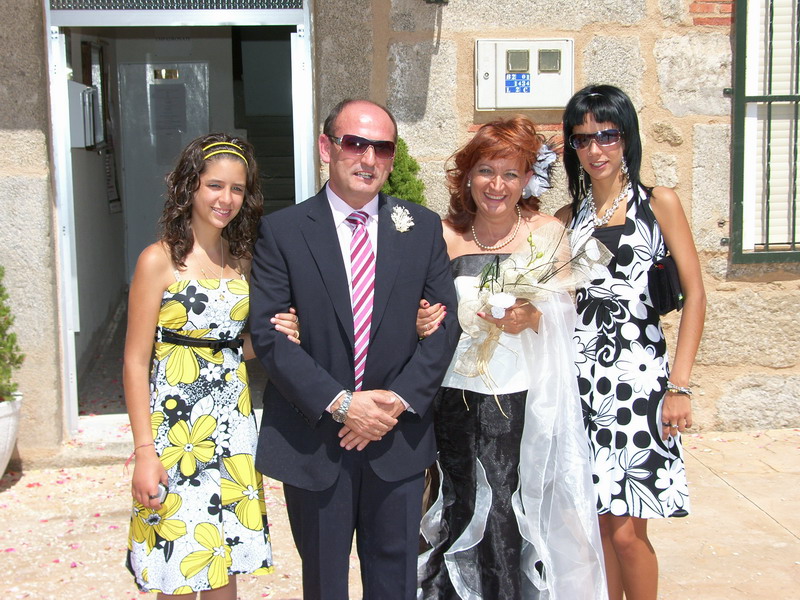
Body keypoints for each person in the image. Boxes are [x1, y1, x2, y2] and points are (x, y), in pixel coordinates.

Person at [249, 99, 460, 600]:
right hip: (316, 440)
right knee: (324, 584)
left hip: (396, 437)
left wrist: (393, 404)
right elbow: (270, 336)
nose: (368, 158)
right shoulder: (283, 231)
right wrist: (343, 404)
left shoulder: (422, 227)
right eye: (355, 143)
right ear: (327, 147)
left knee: (395, 582)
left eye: (382, 148)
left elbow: (444, 328)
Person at [415, 116, 608, 599]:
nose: (496, 185)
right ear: (467, 176)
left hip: (519, 402)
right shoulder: (443, 235)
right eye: (485, 171)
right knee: (457, 503)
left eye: (510, 173)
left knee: (506, 512)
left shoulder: (547, 233)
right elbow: (419, 312)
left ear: (527, 180)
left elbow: (569, 317)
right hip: (452, 400)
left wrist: (534, 317)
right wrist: (421, 321)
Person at [124, 133, 300, 599]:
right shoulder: (158, 261)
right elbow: (135, 361)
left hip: (233, 428)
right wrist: (144, 453)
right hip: (176, 433)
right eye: (215, 185)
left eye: (237, 189)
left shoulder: (241, 261)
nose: (226, 199)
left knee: (222, 563)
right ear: (191, 186)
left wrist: (279, 333)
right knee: (178, 566)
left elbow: (229, 348)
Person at [555, 84, 706, 600]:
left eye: (607, 135)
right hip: (582, 386)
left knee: (626, 533)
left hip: (639, 384)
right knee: (598, 528)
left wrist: (679, 386)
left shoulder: (659, 204)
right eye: (581, 139)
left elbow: (695, 296)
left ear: (627, 138)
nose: (595, 149)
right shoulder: (567, 218)